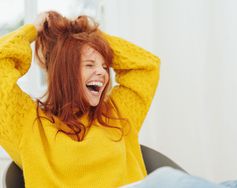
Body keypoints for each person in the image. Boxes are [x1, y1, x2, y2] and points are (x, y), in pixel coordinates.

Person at [0, 11, 160, 187]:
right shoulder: (28, 124)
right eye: (89, 64)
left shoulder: (117, 111)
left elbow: (146, 66)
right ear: (64, 72)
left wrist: (90, 35)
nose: (102, 72)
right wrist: (33, 29)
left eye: (105, 66)